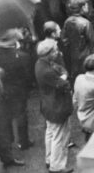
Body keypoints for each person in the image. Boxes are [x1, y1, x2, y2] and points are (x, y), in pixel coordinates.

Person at [35, 38, 69, 173]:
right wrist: (65, 75)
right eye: (55, 50)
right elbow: (63, 84)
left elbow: (58, 69)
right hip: (57, 106)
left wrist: (61, 74)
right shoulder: (48, 70)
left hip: (47, 105)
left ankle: (49, 160)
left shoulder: (40, 64)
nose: (57, 52)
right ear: (48, 53)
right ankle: (57, 167)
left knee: (50, 133)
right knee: (59, 137)